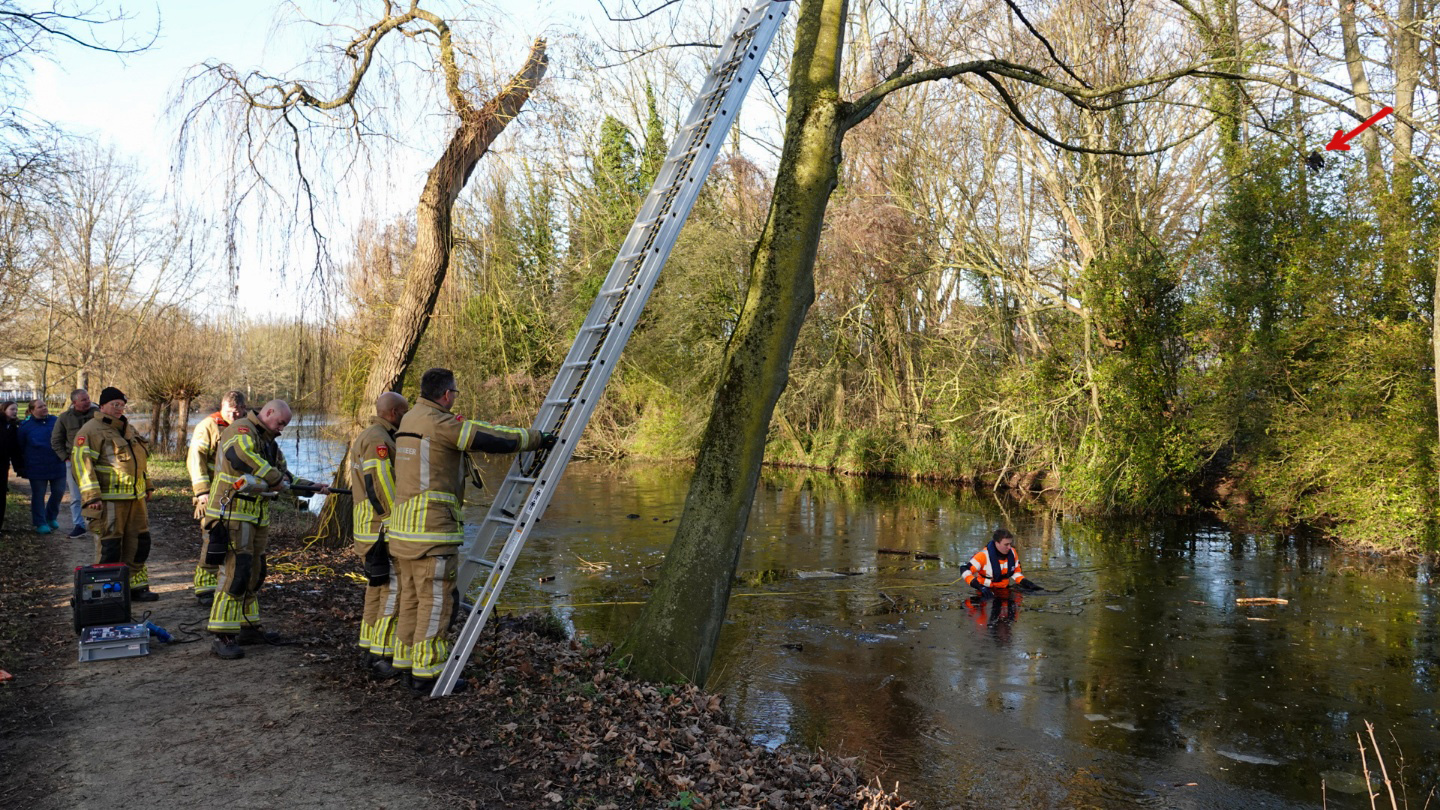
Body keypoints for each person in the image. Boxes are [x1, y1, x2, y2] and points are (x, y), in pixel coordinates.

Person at [389, 368, 555, 693]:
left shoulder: (409, 419)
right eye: (454, 393)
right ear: (447, 394)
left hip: (403, 532)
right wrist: (535, 439)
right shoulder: (440, 424)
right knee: (436, 603)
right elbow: (489, 437)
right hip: (431, 533)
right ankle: (427, 673)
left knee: (410, 599)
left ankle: (406, 663)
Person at [203, 399, 326, 660]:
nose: (282, 428)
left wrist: (310, 486)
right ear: (268, 412)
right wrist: (276, 480)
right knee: (236, 571)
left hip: (255, 516)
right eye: (281, 422)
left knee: (255, 571)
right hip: (232, 513)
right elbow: (244, 458)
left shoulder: (268, 441)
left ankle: (249, 626)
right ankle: (222, 634)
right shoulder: (241, 430)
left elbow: (284, 476)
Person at [72, 387, 157, 601]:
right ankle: (108, 594)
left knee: (139, 543)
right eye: (114, 404)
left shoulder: (127, 429)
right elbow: (82, 466)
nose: (119, 408)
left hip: (135, 500)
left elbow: (140, 462)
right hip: (108, 502)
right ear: (102, 406)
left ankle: (136, 588)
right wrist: (92, 497)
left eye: (122, 405)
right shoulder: (90, 430)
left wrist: (147, 485)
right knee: (110, 547)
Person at [349, 391, 410, 679]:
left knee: (377, 589)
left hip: (370, 528)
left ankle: (370, 645)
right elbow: (380, 483)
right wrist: (395, 520)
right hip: (381, 530)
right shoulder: (379, 439)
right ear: (395, 412)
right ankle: (383, 652)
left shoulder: (370, 434)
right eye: (406, 412)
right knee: (393, 591)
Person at [187, 390, 247, 606]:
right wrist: (202, 491)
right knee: (212, 539)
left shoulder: (244, 426)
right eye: (232, 412)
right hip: (211, 494)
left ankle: (224, 582)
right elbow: (196, 459)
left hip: (236, 495)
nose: (236, 416)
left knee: (232, 542)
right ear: (223, 407)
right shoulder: (208, 426)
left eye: (240, 412)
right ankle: (204, 586)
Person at [15, 399, 66, 534]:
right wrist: (21, 466)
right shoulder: (25, 426)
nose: (44, 408)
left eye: (44, 405)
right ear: (32, 410)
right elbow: (20, 447)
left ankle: (51, 517)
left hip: (57, 464)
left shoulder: (55, 421)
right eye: (40, 407)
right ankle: (40, 522)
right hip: (36, 466)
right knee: (39, 495)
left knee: (59, 492)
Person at [51, 389, 97, 538]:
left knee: (98, 494)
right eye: (83, 400)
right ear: (74, 402)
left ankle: (98, 523)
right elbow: (56, 441)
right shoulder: (64, 418)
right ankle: (79, 525)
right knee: (76, 496)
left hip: (97, 461)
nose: (87, 402)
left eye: (88, 398)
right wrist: (65, 458)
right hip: (74, 462)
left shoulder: (98, 414)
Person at [962, 528, 1044, 597]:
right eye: (1006, 544)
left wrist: (1028, 583)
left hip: (1004, 589)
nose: (1009, 547)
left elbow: (1015, 573)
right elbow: (964, 569)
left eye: (1010, 544)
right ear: (997, 543)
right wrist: (979, 587)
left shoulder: (1013, 552)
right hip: (985, 590)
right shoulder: (983, 555)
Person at [0, 401, 17, 533]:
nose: (15, 411)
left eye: (16, 409)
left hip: (3, 465)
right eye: (12, 409)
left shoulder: (12, 427)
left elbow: (14, 449)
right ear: (4, 409)